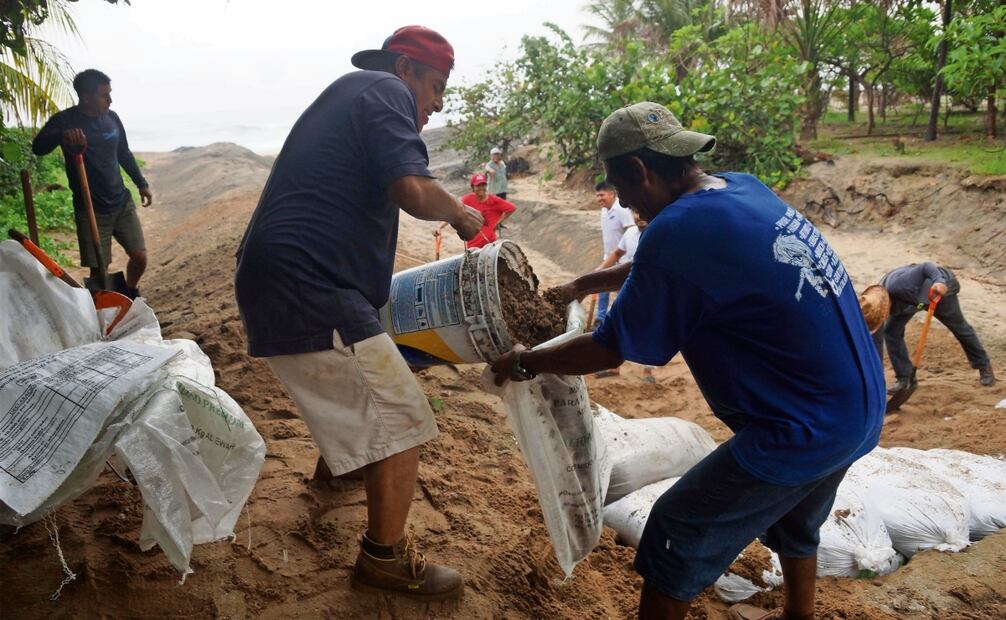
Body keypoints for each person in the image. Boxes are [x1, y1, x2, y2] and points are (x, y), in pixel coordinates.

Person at [490, 102, 884, 620]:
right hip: (859, 408)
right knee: (795, 519)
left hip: (801, 427)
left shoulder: (678, 230)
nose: (626, 203)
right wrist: (585, 283)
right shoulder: (740, 189)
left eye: (619, 186)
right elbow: (661, 265)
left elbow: (609, 348)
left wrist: (526, 362)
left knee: (675, 531)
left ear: (637, 172)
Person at [234, 25, 483, 601]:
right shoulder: (383, 91)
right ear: (406, 70)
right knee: (400, 417)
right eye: (437, 85)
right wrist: (464, 217)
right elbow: (415, 191)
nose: (437, 102)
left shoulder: (358, 94)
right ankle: (384, 560)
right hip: (307, 283)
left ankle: (338, 465)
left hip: (297, 276)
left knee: (375, 360)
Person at [32, 69, 153, 297]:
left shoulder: (112, 118)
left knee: (140, 256)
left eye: (110, 94)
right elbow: (38, 147)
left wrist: (141, 183)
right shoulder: (65, 120)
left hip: (121, 202)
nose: (110, 100)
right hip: (91, 209)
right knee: (99, 268)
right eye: (104, 95)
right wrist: (61, 136)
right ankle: (104, 308)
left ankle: (132, 291)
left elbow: (124, 153)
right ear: (86, 97)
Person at [875, 262, 995, 390]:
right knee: (891, 332)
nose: (884, 317)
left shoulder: (899, 285)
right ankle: (905, 378)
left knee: (960, 328)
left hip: (938, 292)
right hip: (912, 302)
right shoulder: (876, 308)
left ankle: (984, 365)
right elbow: (876, 345)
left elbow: (926, 267)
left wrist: (939, 281)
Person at [594, 209, 655, 382]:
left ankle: (648, 372)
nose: (639, 216)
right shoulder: (629, 233)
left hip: (650, 291)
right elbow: (617, 253)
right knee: (619, 325)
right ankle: (614, 367)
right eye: (635, 212)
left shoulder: (658, 234)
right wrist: (601, 269)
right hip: (627, 288)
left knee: (648, 328)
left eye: (640, 210)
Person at [434, 172, 516, 249]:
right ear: (473, 187)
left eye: (483, 185)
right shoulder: (467, 200)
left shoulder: (494, 201)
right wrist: (439, 227)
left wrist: (497, 223)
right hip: (472, 245)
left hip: (490, 244)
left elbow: (511, 208)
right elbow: (454, 213)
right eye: (478, 186)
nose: (481, 188)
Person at [594, 181, 635, 327]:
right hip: (609, 256)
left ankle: (620, 321)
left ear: (612, 194)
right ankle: (600, 318)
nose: (599, 199)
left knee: (622, 292)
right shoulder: (604, 211)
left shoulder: (621, 209)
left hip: (623, 258)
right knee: (602, 287)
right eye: (597, 196)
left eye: (602, 195)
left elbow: (631, 231)